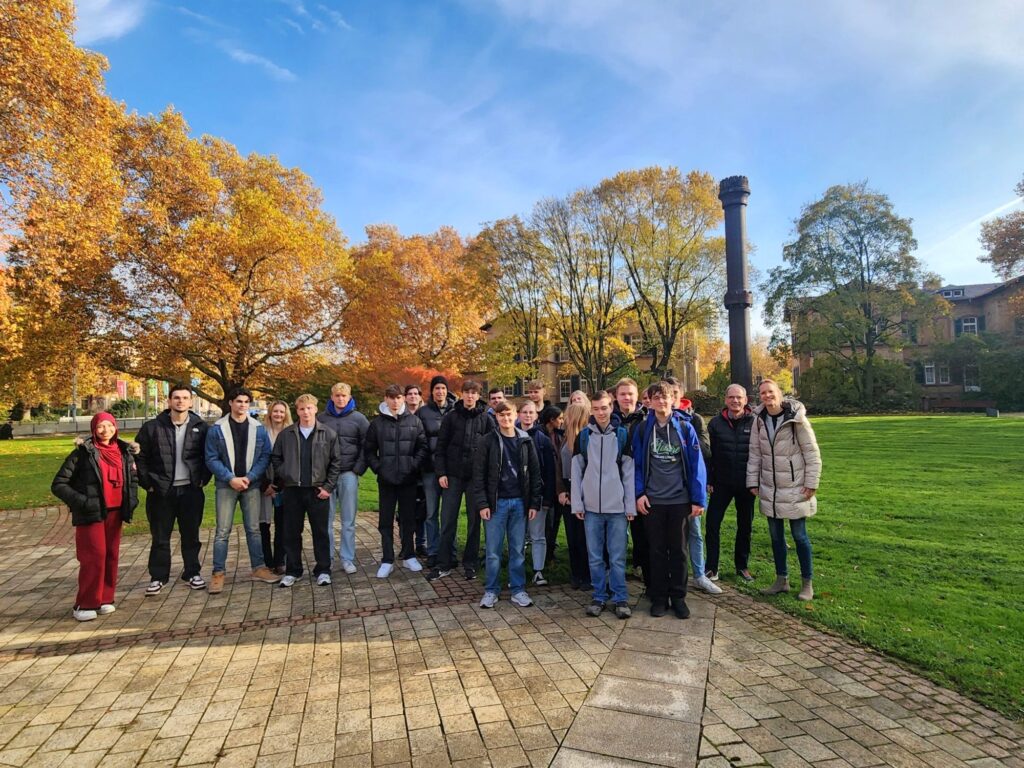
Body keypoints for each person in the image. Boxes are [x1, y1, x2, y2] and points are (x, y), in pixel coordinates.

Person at [51, 413, 139, 621]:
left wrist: (132, 500)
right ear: (93, 429)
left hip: (116, 512)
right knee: (93, 557)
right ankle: (85, 603)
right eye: (100, 426)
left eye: (110, 425)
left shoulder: (124, 452)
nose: (105, 430)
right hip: (91, 513)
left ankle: (105, 599)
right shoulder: (82, 453)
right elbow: (59, 484)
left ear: (115, 427)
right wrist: (84, 502)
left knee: (110, 556)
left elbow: (132, 479)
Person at [632, 383, 707, 619]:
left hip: (679, 500)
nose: (661, 402)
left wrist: (698, 499)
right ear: (650, 402)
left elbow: (696, 465)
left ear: (672, 400)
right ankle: (659, 597)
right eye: (656, 398)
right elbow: (636, 464)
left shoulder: (685, 428)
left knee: (678, 551)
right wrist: (639, 493)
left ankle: (679, 597)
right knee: (656, 551)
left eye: (665, 397)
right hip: (653, 501)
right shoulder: (643, 429)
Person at [747, 379, 822, 601]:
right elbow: (755, 453)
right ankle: (782, 579)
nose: (767, 396)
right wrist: (752, 481)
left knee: (799, 536)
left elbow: (811, 452)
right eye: (763, 393)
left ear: (779, 393)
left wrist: (812, 482)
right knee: (776, 537)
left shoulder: (796, 419)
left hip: (795, 486)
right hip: (770, 487)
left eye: (770, 392)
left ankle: (807, 583)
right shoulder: (759, 420)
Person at [135, 385, 211, 595]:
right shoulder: (152, 427)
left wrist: (203, 479)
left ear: (190, 402)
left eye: (185, 398)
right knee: (160, 537)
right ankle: (158, 577)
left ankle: (192, 573)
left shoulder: (201, 427)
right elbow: (140, 458)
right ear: (169, 401)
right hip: (161, 492)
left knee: (191, 535)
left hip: (190, 490)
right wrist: (148, 483)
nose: (180, 401)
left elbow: (209, 455)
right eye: (176, 398)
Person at [204, 388, 278, 593]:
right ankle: (218, 573)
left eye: (246, 402)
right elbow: (211, 458)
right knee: (222, 531)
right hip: (226, 485)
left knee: (254, 529)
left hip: (250, 484)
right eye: (238, 401)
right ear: (230, 403)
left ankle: (259, 568)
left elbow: (265, 456)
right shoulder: (217, 429)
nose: (242, 405)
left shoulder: (258, 428)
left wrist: (250, 477)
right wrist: (230, 478)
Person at [471, 401, 543, 609]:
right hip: (496, 504)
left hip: (520, 502)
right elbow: (479, 475)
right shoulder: (487, 441)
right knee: (493, 551)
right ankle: (491, 590)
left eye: (509, 414)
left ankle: (518, 589)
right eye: (501, 415)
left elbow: (535, 473)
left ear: (516, 415)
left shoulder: (525, 440)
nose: (506, 418)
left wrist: (533, 503)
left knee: (517, 549)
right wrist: (482, 503)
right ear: (496, 417)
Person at [571, 390, 635, 619]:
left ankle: (620, 598)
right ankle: (599, 595)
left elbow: (628, 472)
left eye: (604, 408)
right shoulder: (583, 436)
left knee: (617, 557)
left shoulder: (622, 435)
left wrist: (630, 506)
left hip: (617, 508)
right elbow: (576, 472)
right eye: (596, 409)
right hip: (591, 509)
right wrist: (577, 504)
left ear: (611, 407)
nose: (600, 413)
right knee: (595, 556)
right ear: (591, 410)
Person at [270, 394, 343, 587]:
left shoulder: (328, 433)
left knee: (321, 532)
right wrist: (286, 474)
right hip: (293, 490)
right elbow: (276, 458)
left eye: (309, 408)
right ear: (297, 411)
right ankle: (293, 571)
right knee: (292, 532)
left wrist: (328, 487)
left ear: (315, 409)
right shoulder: (287, 434)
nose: (306, 412)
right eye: (302, 409)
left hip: (317, 491)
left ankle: (323, 570)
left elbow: (336, 462)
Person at [429, 379, 493, 581]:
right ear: (462, 394)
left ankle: (470, 563)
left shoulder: (486, 419)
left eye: (474, 393)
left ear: (478, 396)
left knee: (474, 522)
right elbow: (441, 447)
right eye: (467, 392)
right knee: (448, 520)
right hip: (453, 476)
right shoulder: (451, 417)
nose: (470, 396)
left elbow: (492, 450)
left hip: (475, 479)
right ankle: (444, 563)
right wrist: (441, 473)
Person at [663, 377, 721, 596]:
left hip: (689, 485)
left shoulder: (694, 420)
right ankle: (672, 574)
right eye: (667, 395)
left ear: (680, 395)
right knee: (670, 535)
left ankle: (699, 574)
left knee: (695, 531)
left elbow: (705, 450)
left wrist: (686, 436)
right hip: (667, 487)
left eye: (675, 394)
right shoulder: (657, 420)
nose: (671, 399)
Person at [364, 384, 429, 578]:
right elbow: (369, 451)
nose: (395, 401)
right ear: (386, 399)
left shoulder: (414, 421)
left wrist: (413, 466)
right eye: (391, 397)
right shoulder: (377, 424)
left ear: (403, 399)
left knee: (408, 519)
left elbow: (422, 447)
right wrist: (379, 468)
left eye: (398, 397)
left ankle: (409, 555)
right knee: (385, 520)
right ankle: (387, 559)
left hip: (408, 479)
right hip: (386, 480)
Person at [706, 384, 756, 582]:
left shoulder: (755, 422)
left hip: (746, 483)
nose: (735, 401)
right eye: (731, 397)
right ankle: (711, 567)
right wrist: (709, 479)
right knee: (712, 524)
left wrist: (756, 480)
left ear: (745, 400)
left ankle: (742, 566)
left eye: (739, 397)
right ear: (725, 400)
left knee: (745, 526)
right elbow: (709, 455)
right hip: (721, 482)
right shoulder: (715, 423)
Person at [317, 382, 369, 574]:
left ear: (349, 397)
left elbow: (367, 445)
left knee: (348, 520)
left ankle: (347, 558)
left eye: (344, 396)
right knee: (326, 520)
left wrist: (357, 469)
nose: (340, 399)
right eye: (337, 395)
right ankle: (328, 558)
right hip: (326, 476)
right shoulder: (321, 418)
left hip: (348, 474)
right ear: (332, 397)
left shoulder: (359, 419)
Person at [416, 375, 456, 567]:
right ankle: (433, 551)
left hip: (451, 470)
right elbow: (419, 440)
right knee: (431, 513)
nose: (440, 391)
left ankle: (450, 551)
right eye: (437, 388)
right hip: (430, 470)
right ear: (432, 391)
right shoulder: (423, 412)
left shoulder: (455, 410)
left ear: (447, 391)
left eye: (443, 388)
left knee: (449, 515)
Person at [611, 378, 648, 583]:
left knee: (641, 529)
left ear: (637, 395)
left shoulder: (646, 419)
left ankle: (640, 565)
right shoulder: (609, 419)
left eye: (630, 394)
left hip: (640, 481)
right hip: (614, 482)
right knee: (615, 531)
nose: (627, 398)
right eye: (623, 394)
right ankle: (614, 571)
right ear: (616, 397)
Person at [517, 400, 555, 586]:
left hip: (537, 495)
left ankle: (538, 570)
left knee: (538, 535)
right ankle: (518, 571)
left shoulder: (543, 440)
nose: (528, 415)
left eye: (531, 412)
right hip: (516, 496)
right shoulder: (511, 436)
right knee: (518, 536)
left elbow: (550, 471)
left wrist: (547, 497)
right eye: (524, 412)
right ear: (519, 414)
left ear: (536, 415)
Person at [559, 402, 591, 590]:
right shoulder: (565, 438)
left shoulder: (586, 438)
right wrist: (562, 490)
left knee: (583, 537)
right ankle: (576, 573)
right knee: (572, 537)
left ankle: (586, 574)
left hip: (582, 491)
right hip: (567, 489)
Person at [261, 400, 291, 574]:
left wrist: (277, 486)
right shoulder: (261, 432)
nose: (278, 414)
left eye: (281, 411)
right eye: (275, 411)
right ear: (270, 413)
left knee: (282, 524)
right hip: (263, 484)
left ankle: (280, 560)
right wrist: (266, 485)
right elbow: (256, 459)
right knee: (263, 524)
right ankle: (267, 561)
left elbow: (291, 462)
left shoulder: (291, 433)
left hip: (283, 485)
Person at [404, 384, 428, 557]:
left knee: (423, 508)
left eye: (416, 393)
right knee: (405, 509)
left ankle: (421, 542)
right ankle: (406, 544)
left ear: (420, 396)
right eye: (410, 394)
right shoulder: (400, 414)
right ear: (405, 397)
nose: (413, 396)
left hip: (422, 467)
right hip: (404, 467)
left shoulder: (426, 414)